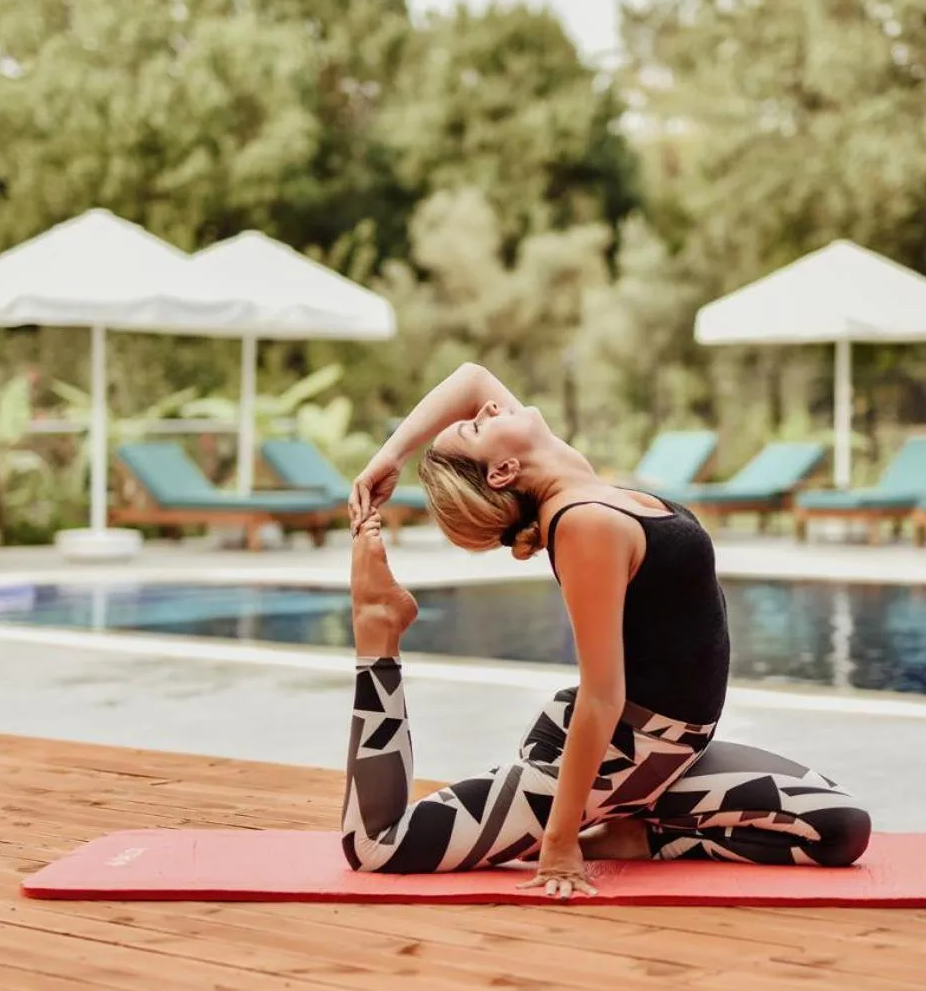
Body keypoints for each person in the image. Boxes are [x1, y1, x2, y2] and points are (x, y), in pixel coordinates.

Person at [342, 362, 872, 899]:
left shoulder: (571, 472)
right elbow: (602, 695)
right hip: (614, 756)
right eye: (477, 427)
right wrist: (560, 842)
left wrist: (391, 455)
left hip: (671, 757)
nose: (486, 408)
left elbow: (474, 378)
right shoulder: (582, 522)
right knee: (377, 845)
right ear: (503, 470)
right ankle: (378, 626)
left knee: (840, 828)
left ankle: (635, 833)